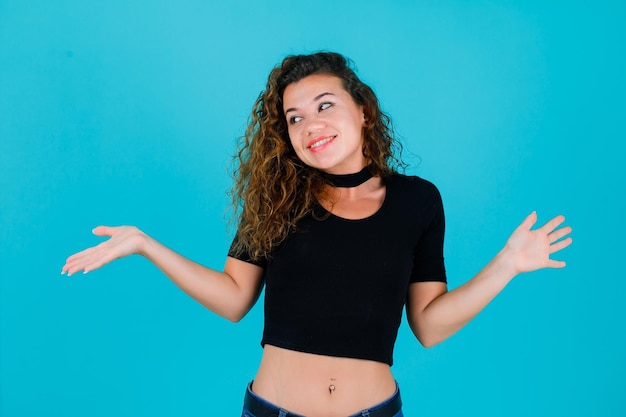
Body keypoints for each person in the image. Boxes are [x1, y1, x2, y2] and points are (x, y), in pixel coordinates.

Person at [62, 52, 572, 417]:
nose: (310, 125)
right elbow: (235, 297)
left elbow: (430, 325)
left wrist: (506, 265)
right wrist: (145, 245)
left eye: (325, 105)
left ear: (362, 110)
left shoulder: (418, 200)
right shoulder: (277, 199)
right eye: (295, 118)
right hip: (271, 410)